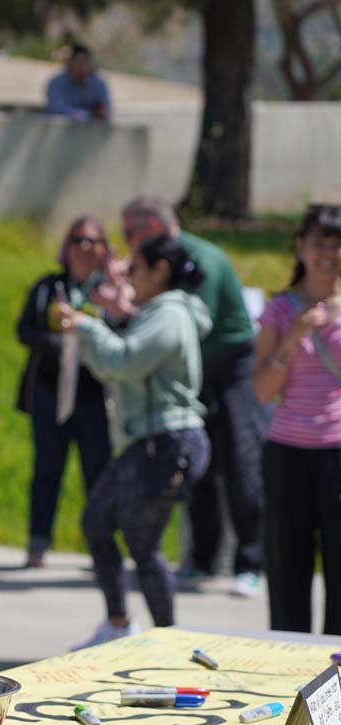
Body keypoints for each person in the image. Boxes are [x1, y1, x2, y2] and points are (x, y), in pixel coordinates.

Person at [59, 235, 212, 647]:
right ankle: (119, 623)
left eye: (136, 270)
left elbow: (124, 361)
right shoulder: (156, 311)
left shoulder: (171, 313)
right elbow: (116, 365)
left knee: (143, 545)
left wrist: (89, 326)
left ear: (159, 271)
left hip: (169, 442)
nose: (129, 279)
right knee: (97, 524)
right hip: (147, 443)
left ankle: (167, 641)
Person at [118, 196, 265, 597]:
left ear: (151, 228)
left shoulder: (205, 258)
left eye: (129, 233)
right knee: (196, 467)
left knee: (241, 463)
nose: (125, 241)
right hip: (192, 371)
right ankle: (201, 560)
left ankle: (250, 563)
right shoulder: (157, 262)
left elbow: (191, 325)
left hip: (230, 368)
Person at [252, 204, 341, 635]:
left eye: (337, 243)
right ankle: (291, 668)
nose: (329, 253)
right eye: (320, 243)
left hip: (338, 452)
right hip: (288, 451)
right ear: (301, 247)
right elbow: (262, 389)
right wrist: (296, 334)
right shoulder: (280, 310)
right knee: (287, 569)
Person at [16, 216, 114, 568]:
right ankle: (37, 543)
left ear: (105, 248)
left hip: (97, 396)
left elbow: (125, 330)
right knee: (47, 469)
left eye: (93, 241)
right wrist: (62, 343)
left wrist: (89, 342)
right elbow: (24, 330)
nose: (85, 248)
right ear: (67, 246)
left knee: (99, 473)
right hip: (50, 392)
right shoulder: (49, 286)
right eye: (78, 240)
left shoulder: (111, 290)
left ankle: (101, 549)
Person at [45, 43, 110, 121]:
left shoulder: (99, 84)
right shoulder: (56, 83)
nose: (81, 67)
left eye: (84, 62)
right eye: (78, 62)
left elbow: (105, 111)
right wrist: (87, 114)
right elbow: (56, 109)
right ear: (69, 63)